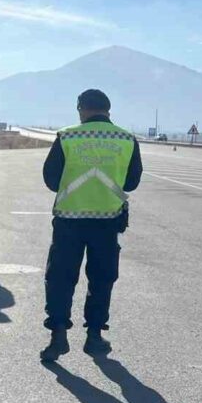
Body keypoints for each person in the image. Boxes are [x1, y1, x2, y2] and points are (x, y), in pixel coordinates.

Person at [40, 89, 142, 361]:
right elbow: (132, 182)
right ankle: (94, 336)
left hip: (69, 220)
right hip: (107, 221)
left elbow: (50, 179)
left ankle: (58, 334)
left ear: (81, 109)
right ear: (108, 110)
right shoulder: (127, 139)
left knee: (61, 276)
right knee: (101, 278)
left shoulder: (67, 136)